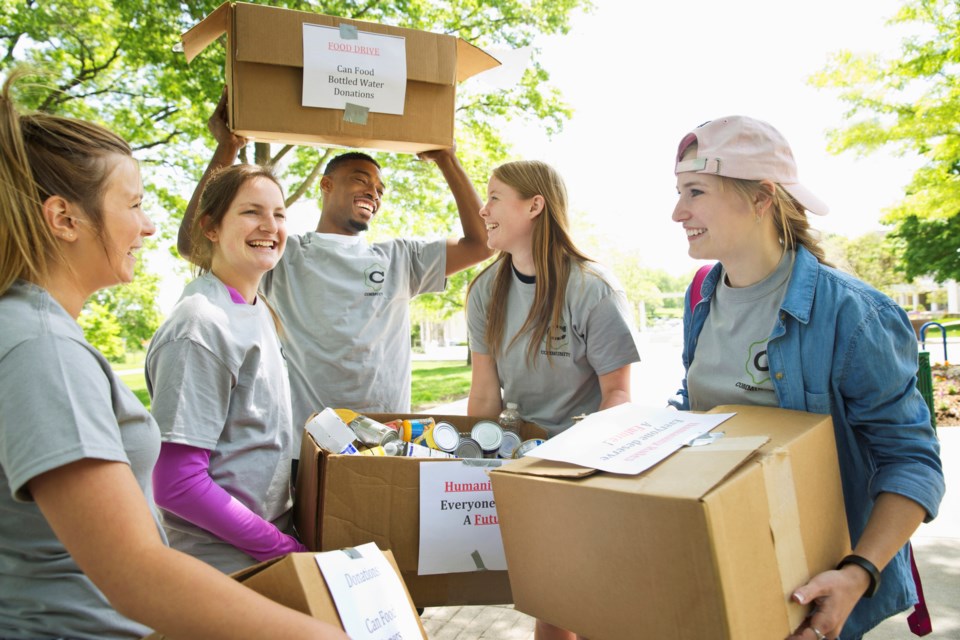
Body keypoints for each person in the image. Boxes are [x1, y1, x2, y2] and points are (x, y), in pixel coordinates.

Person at [0, 73, 348, 639]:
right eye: (134, 204)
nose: (149, 224)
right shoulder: (43, 348)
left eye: (280, 213)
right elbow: (137, 566)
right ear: (64, 219)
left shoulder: (40, 330)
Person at [670, 115, 944, 640]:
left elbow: (911, 462)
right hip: (722, 563)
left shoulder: (854, 314)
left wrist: (856, 573)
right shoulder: (702, 296)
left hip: (813, 590)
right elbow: (703, 410)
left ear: (761, 198)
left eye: (695, 192)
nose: (677, 212)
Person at [178, 90, 493, 459]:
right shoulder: (283, 254)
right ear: (326, 185)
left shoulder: (401, 258)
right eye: (361, 180)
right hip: (309, 449)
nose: (373, 193)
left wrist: (446, 158)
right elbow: (194, 243)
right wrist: (228, 147)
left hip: (388, 446)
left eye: (379, 189)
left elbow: (483, 242)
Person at [466, 160, 640, 640]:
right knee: (551, 597)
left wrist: (586, 467)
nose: (483, 209)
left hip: (585, 463)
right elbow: (484, 393)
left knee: (574, 598)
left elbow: (619, 395)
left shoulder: (593, 288)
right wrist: (462, 463)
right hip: (521, 461)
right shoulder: (484, 290)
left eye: (495, 197)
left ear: (535, 205)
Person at [146, 164, 306, 574]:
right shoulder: (200, 324)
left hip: (263, 548)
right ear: (211, 228)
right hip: (223, 564)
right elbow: (177, 483)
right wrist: (282, 548)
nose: (270, 225)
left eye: (280, 213)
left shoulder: (257, 310)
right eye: (252, 211)